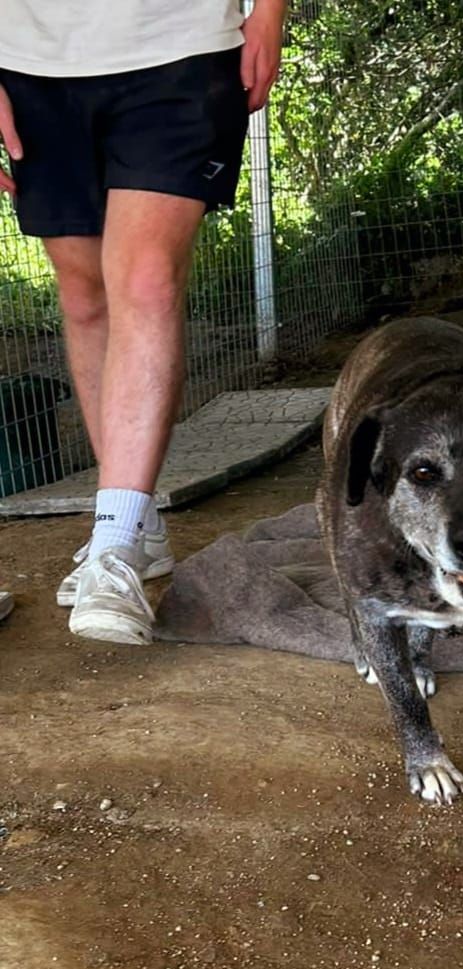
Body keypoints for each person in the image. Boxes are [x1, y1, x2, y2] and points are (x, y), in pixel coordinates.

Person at [0, 0, 286, 644]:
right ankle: (139, 525)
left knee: (146, 277)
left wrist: (270, 10)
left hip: (181, 48)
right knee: (85, 295)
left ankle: (115, 544)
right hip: (29, 61)